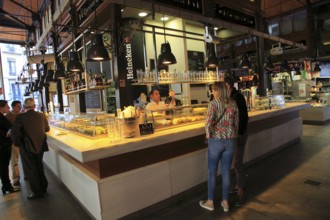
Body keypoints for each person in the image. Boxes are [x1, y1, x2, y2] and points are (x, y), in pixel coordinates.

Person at [199, 81, 239, 212]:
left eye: (213, 90)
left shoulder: (213, 104)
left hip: (216, 140)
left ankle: (210, 202)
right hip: (230, 140)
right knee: (226, 171)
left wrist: (207, 134)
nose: (212, 92)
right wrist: (231, 134)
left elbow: (208, 124)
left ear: (218, 91)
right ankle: (225, 202)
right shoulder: (233, 103)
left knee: (212, 172)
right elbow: (236, 123)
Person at [11, 98, 50, 199]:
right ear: (34, 106)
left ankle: (37, 192)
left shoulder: (20, 117)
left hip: (27, 147)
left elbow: (15, 132)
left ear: (24, 107)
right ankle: (44, 188)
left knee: (31, 169)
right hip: (40, 145)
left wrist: (18, 143)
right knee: (39, 166)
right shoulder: (41, 115)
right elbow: (47, 129)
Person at [224, 76, 249, 206]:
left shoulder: (237, 97)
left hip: (239, 134)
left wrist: (239, 133)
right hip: (233, 134)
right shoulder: (229, 97)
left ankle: (241, 192)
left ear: (227, 85)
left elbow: (244, 117)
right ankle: (238, 185)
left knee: (237, 163)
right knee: (235, 162)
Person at [0, 100, 20, 195]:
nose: (8, 108)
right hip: (3, 145)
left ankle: (6, 186)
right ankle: (7, 186)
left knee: (4, 166)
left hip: (4, 145)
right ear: (1, 107)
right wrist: (7, 133)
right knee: (4, 166)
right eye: (6, 106)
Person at [5, 100, 25, 186]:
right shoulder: (8, 117)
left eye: (20, 106)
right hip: (14, 141)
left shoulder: (23, 115)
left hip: (23, 140)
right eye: (18, 107)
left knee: (25, 159)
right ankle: (16, 179)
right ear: (13, 107)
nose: (20, 108)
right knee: (15, 161)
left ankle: (27, 175)